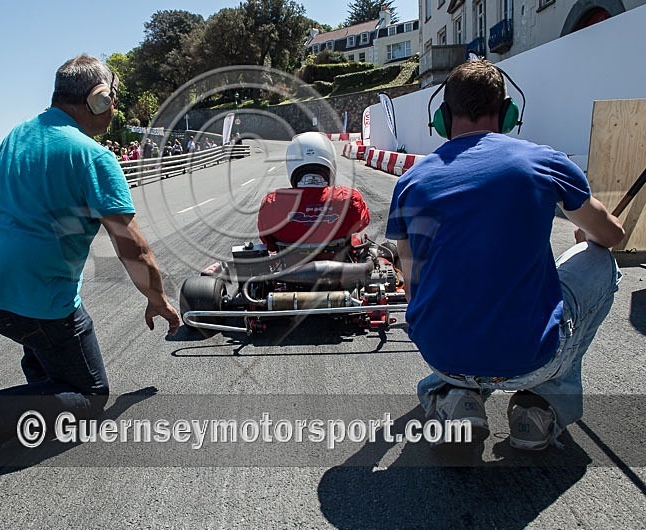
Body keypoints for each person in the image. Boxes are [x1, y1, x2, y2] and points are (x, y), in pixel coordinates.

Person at [0, 54, 180, 488]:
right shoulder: (94, 157)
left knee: (42, 339)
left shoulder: (20, 132)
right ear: (99, 99)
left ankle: (43, 389)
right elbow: (132, 248)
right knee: (89, 397)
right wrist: (157, 299)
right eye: (113, 99)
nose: (115, 108)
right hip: (35, 297)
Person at [385, 59, 625, 451]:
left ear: (443, 117)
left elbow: (412, 278)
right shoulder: (544, 161)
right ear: (509, 113)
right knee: (599, 261)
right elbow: (612, 235)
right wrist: (588, 235)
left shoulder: (411, 181)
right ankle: (541, 404)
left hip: (440, 353)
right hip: (532, 357)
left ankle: (454, 398)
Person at [257, 132, 369, 253]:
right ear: (330, 159)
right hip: (340, 266)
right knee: (359, 242)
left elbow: (269, 243)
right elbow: (363, 224)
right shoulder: (348, 199)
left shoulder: (272, 203)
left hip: (290, 268)